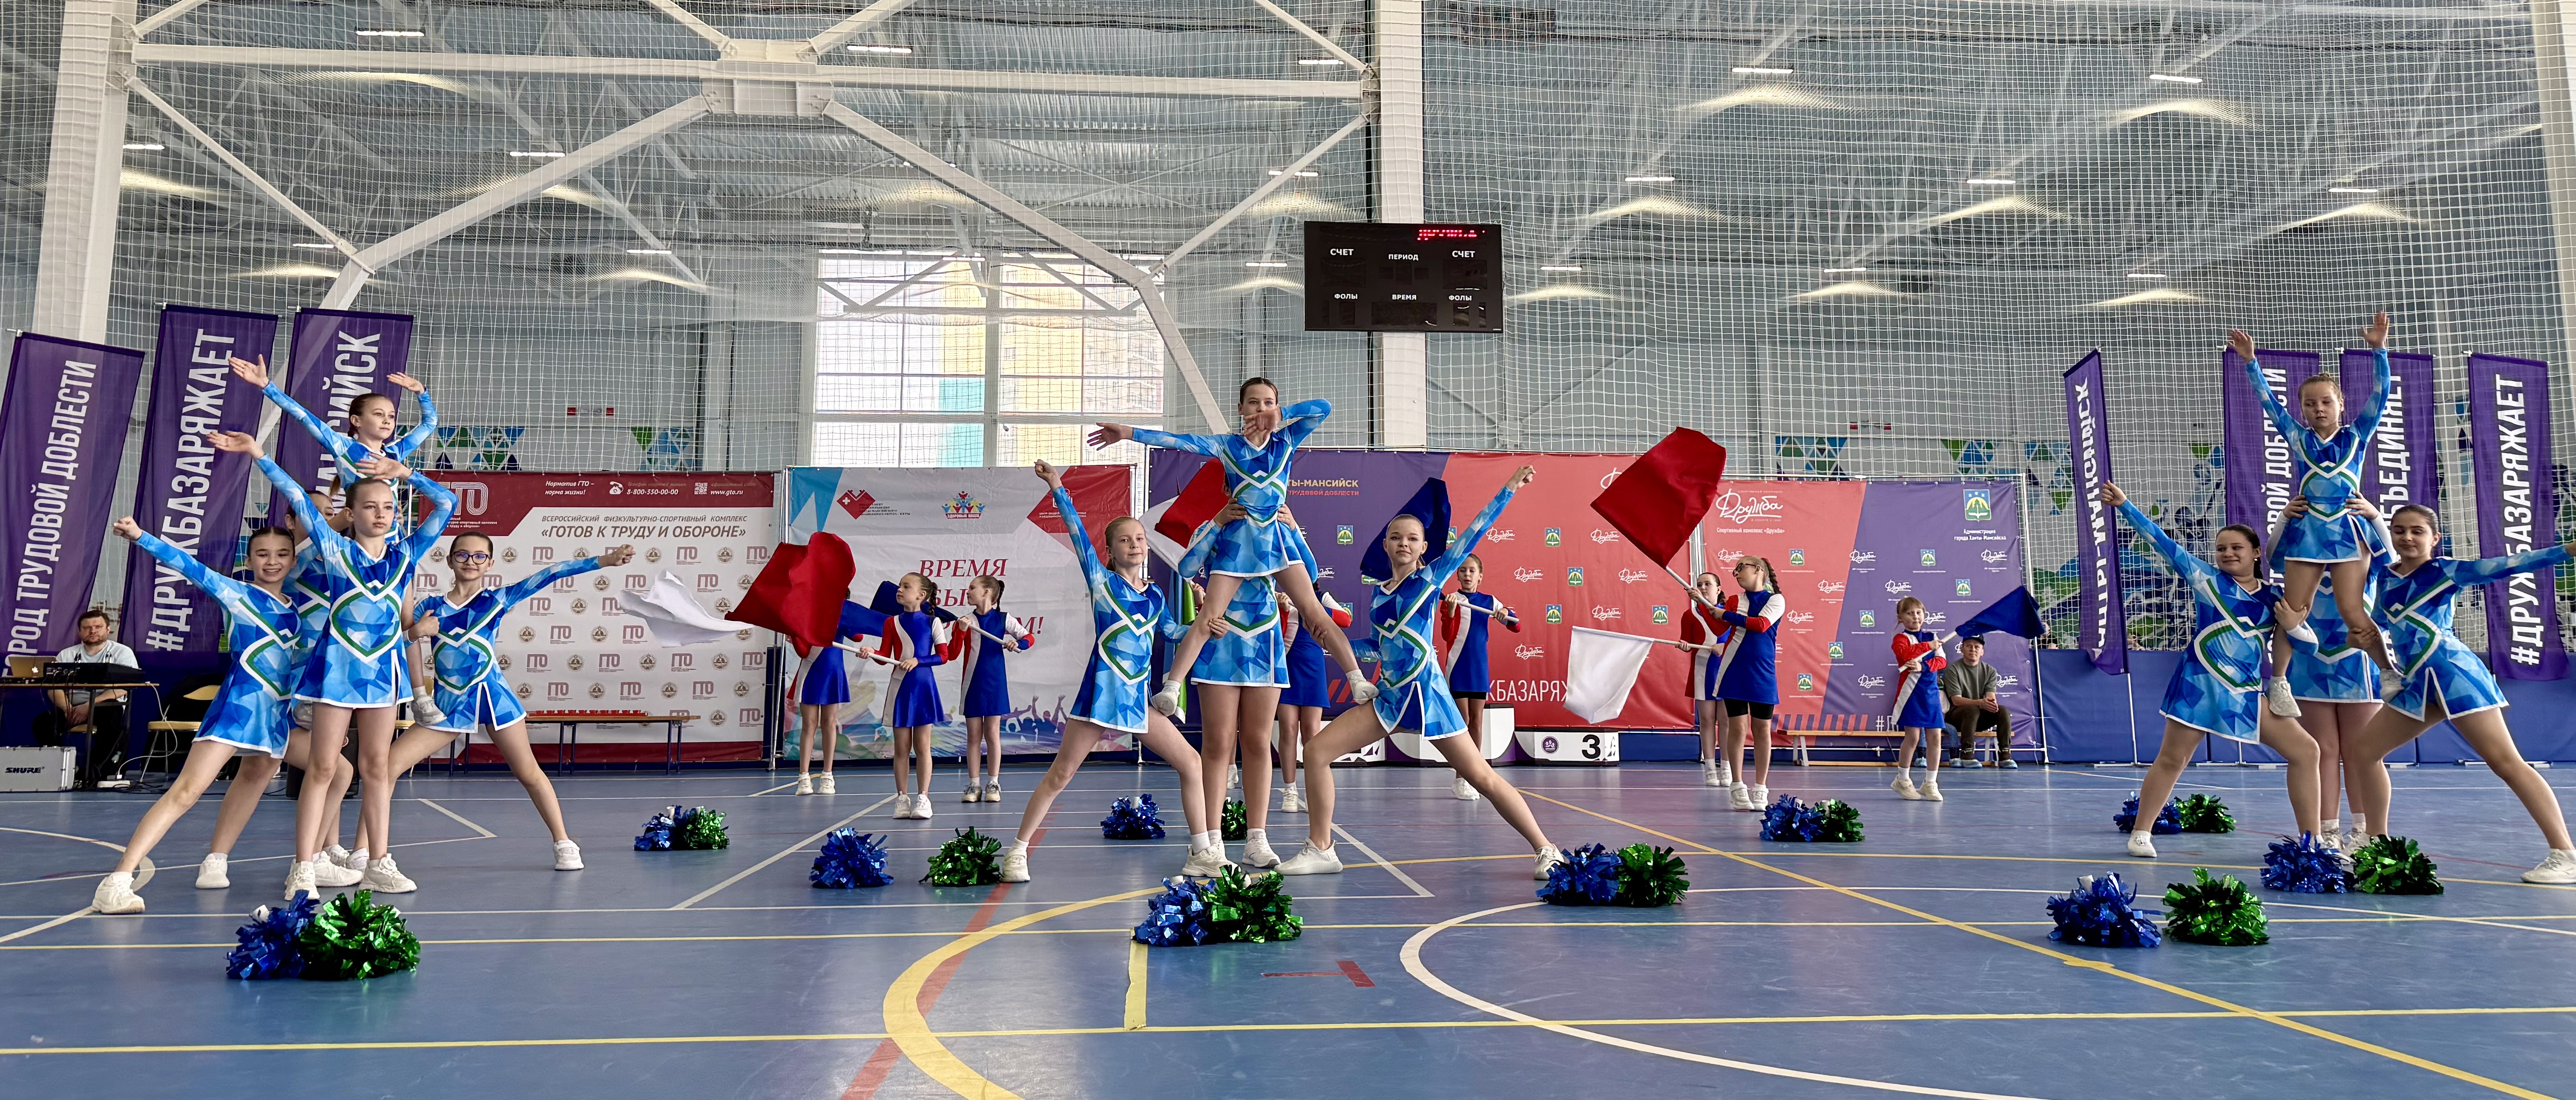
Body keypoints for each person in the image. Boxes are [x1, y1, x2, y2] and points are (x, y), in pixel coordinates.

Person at [1274, 467, 1564, 879]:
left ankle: (1546, 849)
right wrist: (1336, 645)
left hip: (1429, 699)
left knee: (1481, 776)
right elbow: (1381, 647)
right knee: (1318, 752)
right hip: (1389, 700)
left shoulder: (1430, 579)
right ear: (1385, 544)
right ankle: (1321, 848)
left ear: (1424, 547)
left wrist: (1508, 489)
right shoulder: (1378, 596)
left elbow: (1473, 536)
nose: (1404, 543)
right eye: (1396, 537)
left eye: (1412, 538)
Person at [214, 430, 455, 898]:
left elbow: (446, 503)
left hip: (383, 677)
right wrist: (259, 453)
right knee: (323, 768)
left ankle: (379, 861)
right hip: (335, 675)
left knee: (377, 768)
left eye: (388, 508)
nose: (380, 514)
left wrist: (404, 473)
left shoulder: (406, 554)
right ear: (352, 512)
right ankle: (304, 866)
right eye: (370, 507)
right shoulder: (334, 548)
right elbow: (294, 496)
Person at [1093, 379, 1376, 720]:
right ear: (1241, 409)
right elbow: (1178, 440)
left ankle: (1356, 679)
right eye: (1253, 403)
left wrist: (1282, 415)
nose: (1261, 409)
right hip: (1239, 542)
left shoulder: (1286, 441)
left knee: (1314, 611)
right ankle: (1171, 687)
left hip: (1276, 541)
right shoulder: (1227, 446)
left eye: (1268, 402)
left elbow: (1323, 408)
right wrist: (1128, 432)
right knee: (1210, 615)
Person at [359, 534, 637, 873]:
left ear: (490, 564)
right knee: (385, 768)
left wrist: (604, 561)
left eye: (480, 556)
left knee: (529, 772)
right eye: (463, 554)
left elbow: (551, 573)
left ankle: (564, 841)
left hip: (495, 699)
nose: (470, 561)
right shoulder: (429, 607)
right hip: (448, 706)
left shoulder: (497, 599)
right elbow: (395, 639)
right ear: (450, 560)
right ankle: (364, 851)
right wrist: (416, 634)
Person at [2336, 503, 2576, 883]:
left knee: (2506, 762)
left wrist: (2565, 551)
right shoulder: (2386, 578)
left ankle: (2565, 853)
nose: (2407, 537)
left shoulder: (2445, 570)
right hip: (2418, 684)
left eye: (2417, 531)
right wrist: (2367, 646)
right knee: (2364, 752)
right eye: (2399, 530)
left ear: (2435, 538)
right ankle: (2377, 842)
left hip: (2454, 676)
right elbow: (2377, 628)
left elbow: (2504, 565)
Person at [998, 461, 1211, 883]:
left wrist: (1204, 619)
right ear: (1110, 550)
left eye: (1140, 538)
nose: (1135, 544)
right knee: (1060, 774)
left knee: (1191, 761)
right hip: (1100, 698)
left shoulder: (1155, 596)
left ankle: (1203, 852)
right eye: (1125, 540)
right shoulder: (1101, 582)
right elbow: (1076, 531)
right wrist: (1057, 485)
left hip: (1136, 703)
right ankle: (1017, 852)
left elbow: (1173, 633)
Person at [2097, 483, 2322, 858]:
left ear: (2256, 553)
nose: (2227, 553)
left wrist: (2292, 624)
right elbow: (2161, 542)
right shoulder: (2205, 579)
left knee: (2306, 751)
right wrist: (2124, 505)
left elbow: (2309, 646)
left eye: (2236, 547)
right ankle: (2141, 832)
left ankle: (2311, 842)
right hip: (2198, 687)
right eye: (2221, 548)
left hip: (2246, 694)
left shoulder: (2274, 597)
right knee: (2173, 759)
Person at [88, 523, 304, 913]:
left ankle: (219, 860)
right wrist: (140, 536)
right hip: (236, 711)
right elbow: (188, 566)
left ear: (293, 559)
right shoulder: (237, 593)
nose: (272, 562)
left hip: (276, 717)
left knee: (295, 773)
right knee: (186, 791)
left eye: (282, 554)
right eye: (262, 554)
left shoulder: (298, 608)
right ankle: (118, 879)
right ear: (249, 560)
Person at [231, 354, 443, 722]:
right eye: (379, 414)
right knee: (332, 609)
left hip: (395, 548)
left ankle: (419, 696)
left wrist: (421, 393)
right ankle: (313, 690)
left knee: (404, 619)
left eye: (392, 416)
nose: (388, 420)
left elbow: (430, 424)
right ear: (356, 421)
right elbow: (303, 417)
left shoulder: (396, 454)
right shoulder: (346, 447)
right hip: (357, 543)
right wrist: (267, 387)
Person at [2230, 314, 2398, 718]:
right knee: (2292, 609)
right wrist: (2251, 362)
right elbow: (2269, 404)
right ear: (2302, 409)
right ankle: (2279, 682)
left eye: (2326, 401)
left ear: (2341, 404)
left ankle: (2387, 671)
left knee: (2353, 610)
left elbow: (2381, 394)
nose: (2318, 408)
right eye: (2309, 403)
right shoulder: (2297, 436)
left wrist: (2379, 351)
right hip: (2307, 531)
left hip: (2347, 532)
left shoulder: (2357, 435)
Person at [1179, 503, 1290, 872]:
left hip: (1264, 641)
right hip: (1219, 642)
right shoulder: (1213, 525)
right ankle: (1212, 842)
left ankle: (1256, 838)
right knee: (1218, 743)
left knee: (1258, 741)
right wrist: (1216, 522)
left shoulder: (1277, 526)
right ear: (1229, 485)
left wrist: (1291, 528)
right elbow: (1186, 568)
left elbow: (1305, 572)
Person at [2275, 496, 2388, 851]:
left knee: (2360, 751)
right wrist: (2284, 519)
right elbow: (2273, 556)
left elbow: (2389, 554)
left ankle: (2364, 831)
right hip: (2310, 665)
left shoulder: (2363, 558)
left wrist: (2375, 516)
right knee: (2322, 750)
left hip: (2358, 664)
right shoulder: (2299, 561)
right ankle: (2327, 832)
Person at [1704, 557, 1786, 812]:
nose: (1736, 573)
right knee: (1737, 729)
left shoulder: (1776, 600)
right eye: (1735, 570)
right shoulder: (1734, 600)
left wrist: (1726, 614)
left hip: (1763, 674)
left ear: (1758, 570)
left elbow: (1760, 625)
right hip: (1734, 670)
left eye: (1741, 568)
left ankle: (1761, 788)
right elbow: (1720, 626)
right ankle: (1737, 786)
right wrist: (1704, 604)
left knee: (1762, 730)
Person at [875, 573, 960, 820]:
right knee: (901, 748)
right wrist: (871, 652)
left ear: (921, 595)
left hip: (923, 690)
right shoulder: (891, 623)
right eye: (900, 586)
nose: (900, 590)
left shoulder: (933, 622)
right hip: (900, 689)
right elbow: (884, 657)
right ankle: (902, 798)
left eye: (906, 587)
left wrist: (918, 661)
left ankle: (924, 798)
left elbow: (943, 656)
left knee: (923, 747)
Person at [1437, 554, 1518, 801]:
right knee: (1462, 723)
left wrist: (1505, 611)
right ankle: (1461, 778)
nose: (1467, 575)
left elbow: (1516, 626)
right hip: (1458, 667)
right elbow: (1447, 636)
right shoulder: (1451, 600)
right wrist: (1451, 611)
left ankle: (1473, 776)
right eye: (1463, 571)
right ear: (1458, 575)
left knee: (1477, 723)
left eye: (1472, 571)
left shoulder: (1489, 602)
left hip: (1479, 669)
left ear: (1480, 576)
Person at [793, 600, 884, 796]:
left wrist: (849, 620)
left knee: (830, 723)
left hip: (833, 673)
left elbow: (857, 636)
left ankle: (828, 775)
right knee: (809, 724)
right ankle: (804, 776)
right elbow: (802, 651)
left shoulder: (841, 614)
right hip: (811, 672)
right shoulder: (809, 613)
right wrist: (794, 632)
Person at [1275, 578, 1350, 815]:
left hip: (1314, 670)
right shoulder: (1281, 597)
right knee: (1288, 730)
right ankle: (1290, 790)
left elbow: (1345, 619)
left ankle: (1313, 791)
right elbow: (1276, 634)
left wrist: (1310, 608)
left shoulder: (1322, 597)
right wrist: (1284, 609)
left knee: (1312, 733)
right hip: (1287, 667)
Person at [39, 609, 138, 787]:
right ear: (80, 631)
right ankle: (64, 768)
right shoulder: (66, 655)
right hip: (72, 708)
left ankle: (93, 771)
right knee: (43, 723)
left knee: (113, 717)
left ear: (108, 629)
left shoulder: (122, 653)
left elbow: (124, 687)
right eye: (87, 628)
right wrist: (67, 709)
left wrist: (89, 706)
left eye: (98, 627)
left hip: (104, 706)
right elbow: (54, 688)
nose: (93, 631)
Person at [955, 575, 1033, 803]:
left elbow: (1028, 638)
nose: (968, 592)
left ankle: (993, 783)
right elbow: (952, 652)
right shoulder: (966, 620)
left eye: (972, 588)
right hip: (972, 683)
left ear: (987, 592)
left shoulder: (1004, 619)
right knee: (973, 736)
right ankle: (974, 784)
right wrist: (961, 631)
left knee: (992, 733)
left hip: (995, 683)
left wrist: (1017, 643)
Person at [1670, 572, 1735, 789]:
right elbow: (1687, 643)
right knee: (1707, 721)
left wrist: (1723, 647)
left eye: (1708, 584)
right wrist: (1684, 646)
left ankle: (1727, 768)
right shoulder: (1690, 615)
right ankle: (1710, 769)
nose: (1704, 587)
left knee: (1726, 722)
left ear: (1719, 589)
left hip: (1727, 672)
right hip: (1703, 672)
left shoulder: (1730, 613)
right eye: (1700, 584)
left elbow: (1739, 640)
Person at [1888, 597, 1949, 802]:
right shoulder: (1900, 639)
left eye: (1918, 612)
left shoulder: (1932, 637)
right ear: (1901, 618)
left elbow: (1942, 661)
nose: (1915, 617)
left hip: (1930, 694)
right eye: (1910, 613)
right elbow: (1905, 654)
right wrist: (1928, 646)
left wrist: (1924, 666)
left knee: (1936, 737)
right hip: (1910, 693)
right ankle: (1902, 779)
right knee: (1913, 737)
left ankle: (1930, 783)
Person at [1940, 636, 2016, 769]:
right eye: (1969, 646)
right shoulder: (1953, 669)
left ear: (1982, 652)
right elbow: (1956, 700)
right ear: (1962, 649)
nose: (1973, 649)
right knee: (1972, 709)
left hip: (1978, 718)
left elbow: (1990, 698)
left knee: (2003, 711)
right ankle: (1967, 754)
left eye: (1977, 647)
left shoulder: (1990, 671)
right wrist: (1981, 703)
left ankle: (2005, 755)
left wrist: (1990, 703)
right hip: (1956, 717)